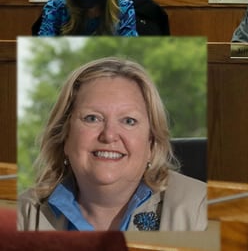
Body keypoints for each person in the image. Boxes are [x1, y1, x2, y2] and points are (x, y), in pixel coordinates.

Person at [17, 57, 207, 231]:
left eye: (129, 121)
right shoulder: (23, 214)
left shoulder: (201, 208)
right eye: (92, 118)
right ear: (64, 136)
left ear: (151, 142)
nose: (109, 135)